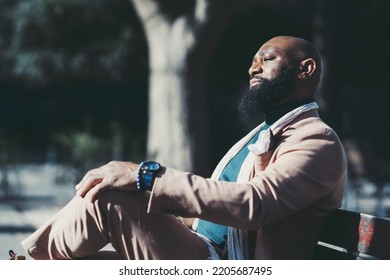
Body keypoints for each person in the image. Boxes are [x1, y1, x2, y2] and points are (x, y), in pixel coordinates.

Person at [21, 35, 347, 260]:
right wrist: (167, 208)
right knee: (65, 265)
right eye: (252, 62)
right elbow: (221, 215)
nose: (253, 68)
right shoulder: (264, 133)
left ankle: (23, 262)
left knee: (108, 200)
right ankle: (28, 264)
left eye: (267, 59)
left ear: (305, 69)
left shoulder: (317, 140)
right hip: (201, 251)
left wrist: (147, 177)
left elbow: (255, 204)